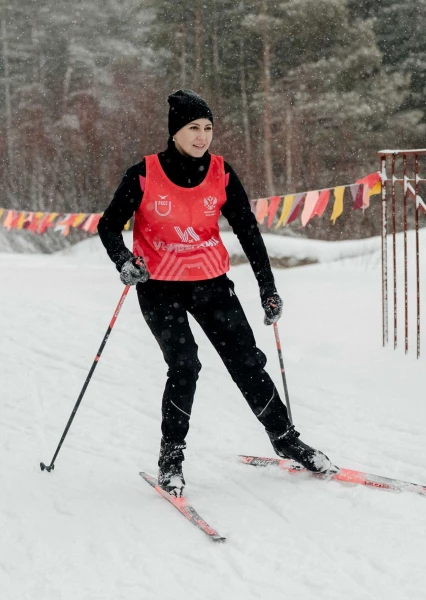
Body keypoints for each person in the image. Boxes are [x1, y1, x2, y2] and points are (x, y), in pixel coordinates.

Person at [98, 89, 333, 497]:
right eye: (193, 128)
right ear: (175, 132)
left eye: (208, 128)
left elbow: (247, 230)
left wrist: (268, 289)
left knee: (246, 362)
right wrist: (124, 261)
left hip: (210, 283)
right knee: (185, 365)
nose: (202, 136)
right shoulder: (143, 173)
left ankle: (285, 438)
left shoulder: (221, 173)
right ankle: (171, 458)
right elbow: (108, 225)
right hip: (159, 287)